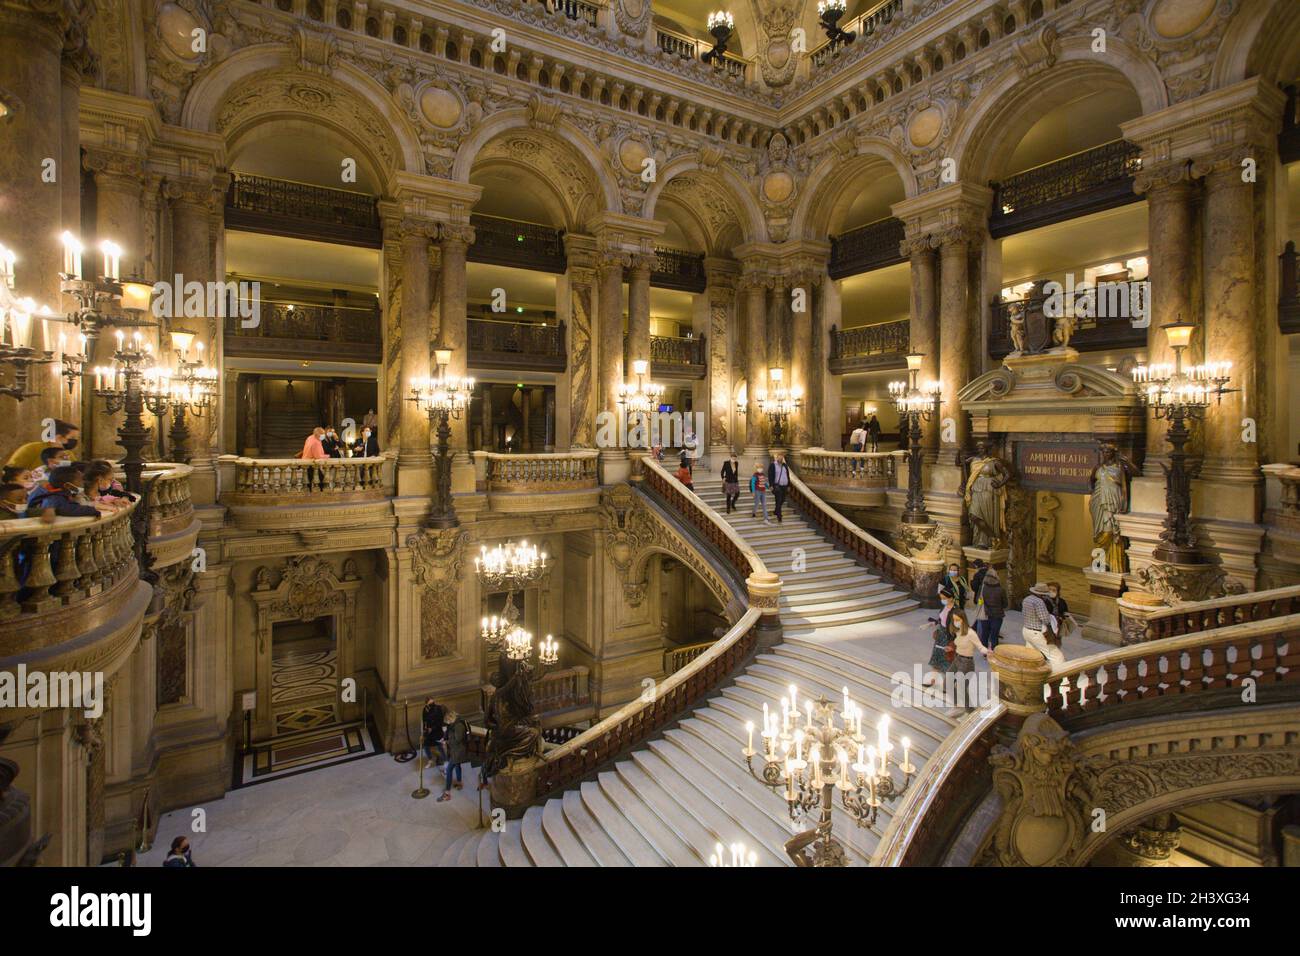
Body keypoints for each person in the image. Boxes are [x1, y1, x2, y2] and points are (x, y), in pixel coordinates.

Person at [26, 466, 102, 522]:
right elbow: (67, 509)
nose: (83, 483)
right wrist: (92, 511)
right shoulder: (53, 497)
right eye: (80, 481)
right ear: (67, 485)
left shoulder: (54, 491)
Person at [6, 419, 79, 471]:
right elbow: (11, 471)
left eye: (77, 438)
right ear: (59, 437)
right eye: (72, 438)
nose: (75, 441)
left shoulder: (69, 454)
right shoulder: (31, 449)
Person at [1021, 582, 1065, 667]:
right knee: (1056, 656)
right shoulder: (1039, 602)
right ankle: (1061, 678)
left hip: (1026, 630)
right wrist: (1053, 619)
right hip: (1037, 633)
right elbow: (1045, 619)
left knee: (1030, 656)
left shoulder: (1026, 599)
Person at [438, 708, 470, 802]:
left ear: (451, 718)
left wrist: (447, 742)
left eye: (447, 720)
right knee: (457, 765)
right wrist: (445, 738)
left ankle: (447, 793)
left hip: (458, 751)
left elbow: (458, 739)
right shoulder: (454, 724)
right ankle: (459, 783)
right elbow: (449, 733)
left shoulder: (459, 726)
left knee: (449, 769)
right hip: (455, 750)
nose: (447, 722)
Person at [949, 612, 990, 682]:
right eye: (953, 620)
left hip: (966, 662)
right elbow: (960, 644)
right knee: (948, 682)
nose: (955, 622)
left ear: (963, 619)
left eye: (957, 619)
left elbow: (980, 647)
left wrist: (988, 652)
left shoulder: (971, 633)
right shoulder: (958, 632)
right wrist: (951, 648)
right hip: (957, 658)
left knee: (960, 686)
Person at [974, 567, 1006, 650]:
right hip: (997, 615)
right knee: (994, 635)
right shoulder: (1001, 590)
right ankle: (994, 651)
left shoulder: (982, 588)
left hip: (985, 614)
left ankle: (985, 652)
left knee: (985, 633)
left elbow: (977, 600)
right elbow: (1005, 604)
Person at [420, 697, 446, 766]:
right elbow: (424, 721)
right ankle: (430, 759)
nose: (432, 705)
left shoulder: (438, 708)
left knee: (439, 747)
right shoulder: (425, 709)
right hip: (429, 733)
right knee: (426, 746)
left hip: (437, 732)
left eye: (432, 703)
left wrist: (432, 728)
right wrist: (423, 731)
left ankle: (445, 761)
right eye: (430, 704)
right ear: (426, 704)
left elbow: (440, 721)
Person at [767, 453, 790, 523]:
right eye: (779, 457)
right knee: (778, 500)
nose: (780, 459)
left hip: (785, 486)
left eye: (782, 457)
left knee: (783, 499)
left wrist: (789, 485)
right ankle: (779, 516)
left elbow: (788, 475)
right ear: (777, 458)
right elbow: (770, 475)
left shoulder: (785, 465)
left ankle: (776, 511)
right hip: (777, 486)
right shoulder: (772, 465)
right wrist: (771, 485)